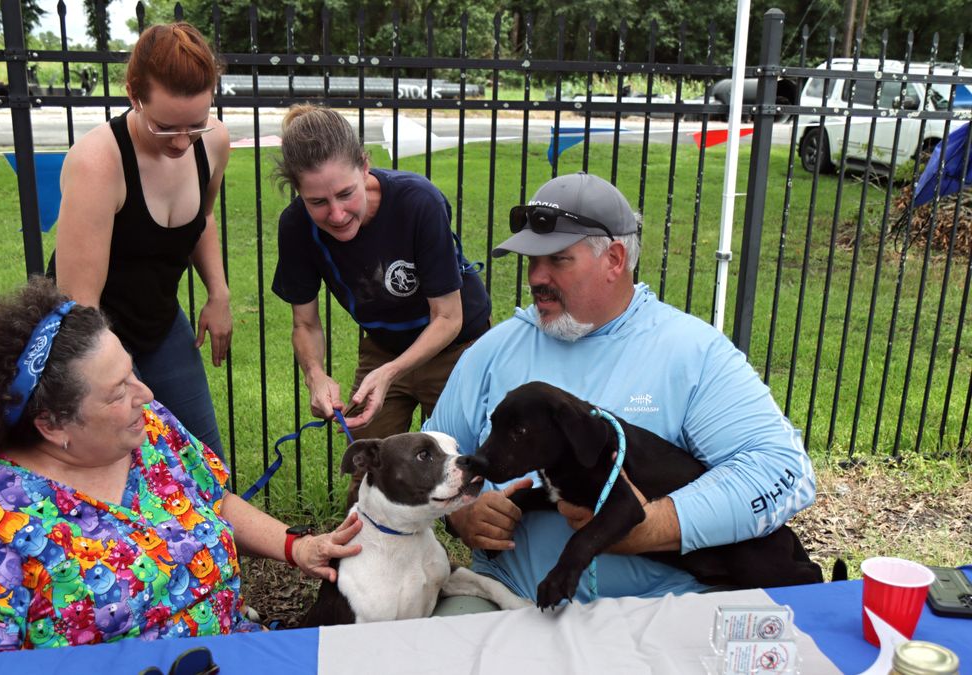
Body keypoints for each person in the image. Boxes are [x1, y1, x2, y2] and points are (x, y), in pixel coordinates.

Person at [0, 278, 361, 657]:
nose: (146, 394)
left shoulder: (146, 430)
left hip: (232, 653)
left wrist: (297, 546)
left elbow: (211, 500)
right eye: (118, 391)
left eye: (133, 370)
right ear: (51, 424)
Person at [423, 172, 817, 610]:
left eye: (557, 260)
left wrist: (654, 526)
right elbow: (429, 455)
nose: (536, 277)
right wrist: (461, 513)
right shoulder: (494, 350)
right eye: (531, 261)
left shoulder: (690, 351)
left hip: (662, 608)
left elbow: (783, 472)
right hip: (507, 598)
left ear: (613, 259)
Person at [50, 22, 230, 453]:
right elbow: (80, 305)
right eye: (167, 127)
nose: (184, 142)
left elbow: (203, 217)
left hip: (161, 323)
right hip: (89, 336)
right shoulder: (98, 163)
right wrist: (119, 378)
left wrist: (218, 294)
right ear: (134, 95)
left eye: (196, 124)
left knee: (204, 462)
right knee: (119, 461)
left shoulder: (214, 142)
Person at [271, 104, 491, 448]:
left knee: (459, 466)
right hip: (383, 347)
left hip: (457, 346)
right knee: (370, 470)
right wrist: (315, 375)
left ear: (364, 166)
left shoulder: (418, 202)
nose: (337, 214)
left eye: (346, 194)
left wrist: (391, 373)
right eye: (317, 202)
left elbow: (448, 316)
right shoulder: (296, 227)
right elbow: (305, 324)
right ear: (299, 192)